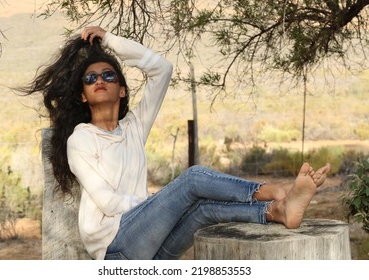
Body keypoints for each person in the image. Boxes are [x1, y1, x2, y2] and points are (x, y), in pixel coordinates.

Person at [21, 26, 331, 260]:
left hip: (149, 250)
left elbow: (162, 69)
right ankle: (277, 190)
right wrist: (163, 201)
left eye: (108, 75)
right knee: (192, 180)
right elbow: (109, 202)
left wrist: (110, 39)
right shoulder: (82, 139)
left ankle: (276, 211)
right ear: (82, 95)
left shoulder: (133, 128)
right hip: (116, 250)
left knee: (203, 210)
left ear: (123, 90)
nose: (99, 80)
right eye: (90, 79)